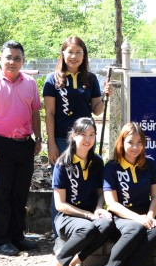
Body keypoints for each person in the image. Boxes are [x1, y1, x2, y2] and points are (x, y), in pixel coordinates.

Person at [0, 40, 42, 256]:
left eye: (17, 58)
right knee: (1, 192)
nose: (12, 62)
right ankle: (2, 239)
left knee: (20, 192)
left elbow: (35, 112)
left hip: (24, 144)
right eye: (8, 57)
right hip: (0, 144)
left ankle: (18, 236)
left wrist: (39, 138)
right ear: (0, 59)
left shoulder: (30, 83)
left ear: (23, 60)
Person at [43, 36, 111, 238]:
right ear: (63, 54)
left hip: (85, 138)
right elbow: (49, 113)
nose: (74, 56)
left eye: (78, 52)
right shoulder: (52, 79)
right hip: (61, 139)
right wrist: (51, 142)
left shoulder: (90, 79)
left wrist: (105, 96)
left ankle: (84, 229)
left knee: (85, 183)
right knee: (61, 186)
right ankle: (59, 235)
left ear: (84, 55)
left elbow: (97, 110)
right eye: (70, 52)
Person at [99, 122, 156, 266]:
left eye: (139, 142)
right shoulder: (111, 166)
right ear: (121, 142)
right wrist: (138, 218)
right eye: (130, 142)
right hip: (121, 217)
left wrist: (149, 216)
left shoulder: (150, 164)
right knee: (136, 228)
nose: (135, 147)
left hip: (144, 214)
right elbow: (111, 203)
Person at [51, 117, 115, 266]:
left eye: (92, 134)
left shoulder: (97, 162)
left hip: (91, 215)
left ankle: (71, 265)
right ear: (73, 135)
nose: (88, 139)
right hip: (67, 217)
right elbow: (60, 205)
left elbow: (101, 192)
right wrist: (87, 215)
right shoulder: (62, 164)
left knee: (107, 224)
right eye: (83, 134)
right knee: (87, 228)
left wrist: (99, 208)